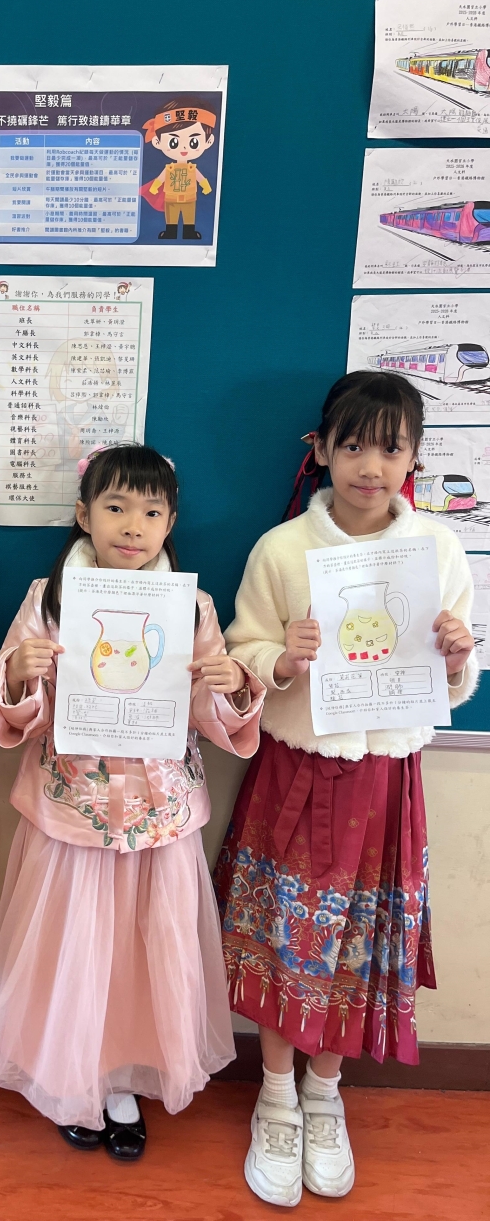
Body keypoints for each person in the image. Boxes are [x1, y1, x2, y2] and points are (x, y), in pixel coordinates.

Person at [214, 371, 478, 1207]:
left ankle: (326, 1092)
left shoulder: (438, 549)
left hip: (388, 775)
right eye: (353, 445)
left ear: (414, 458)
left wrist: (458, 653)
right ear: (321, 449)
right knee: (287, 934)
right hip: (299, 766)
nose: (371, 465)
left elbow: (456, 677)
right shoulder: (282, 548)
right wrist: (280, 660)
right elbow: (240, 653)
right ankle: (276, 1095)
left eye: (391, 448)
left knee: (360, 937)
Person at [0, 443, 264, 1161]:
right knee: (72, 951)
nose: (133, 526)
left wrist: (229, 684)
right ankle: (74, 1074)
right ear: (84, 515)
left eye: (152, 512)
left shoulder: (191, 606)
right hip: (74, 812)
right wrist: (21, 675)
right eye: (116, 507)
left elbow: (208, 715)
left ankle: (122, 1079)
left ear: (170, 523)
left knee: (140, 954)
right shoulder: (50, 599)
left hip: (157, 818)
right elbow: (18, 710)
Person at [141, 102, 217, 240]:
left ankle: (189, 232)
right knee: (171, 216)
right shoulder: (169, 168)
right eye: (174, 142)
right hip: (171, 197)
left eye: (193, 142)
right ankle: (171, 232)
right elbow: (160, 179)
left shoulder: (192, 168)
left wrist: (206, 186)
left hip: (189, 197)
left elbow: (200, 178)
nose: (184, 148)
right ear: (157, 142)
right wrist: (154, 187)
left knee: (189, 215)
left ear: (208, 141)